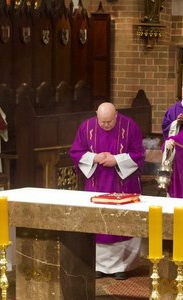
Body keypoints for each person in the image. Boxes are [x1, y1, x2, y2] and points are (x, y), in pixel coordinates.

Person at [70, 102, 145, 280]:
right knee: (99, 224)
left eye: (110, 121)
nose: (106, 125)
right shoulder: (86, 126)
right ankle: (99, 265)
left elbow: (140, 153)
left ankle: (122, 266)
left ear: (116, 115)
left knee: (122, 223)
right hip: (97, 183)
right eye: (102, 121)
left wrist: (117, 160)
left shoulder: (129, 126)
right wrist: (94, 157)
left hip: (124, 183)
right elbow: (75, 152)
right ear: (96, 115)